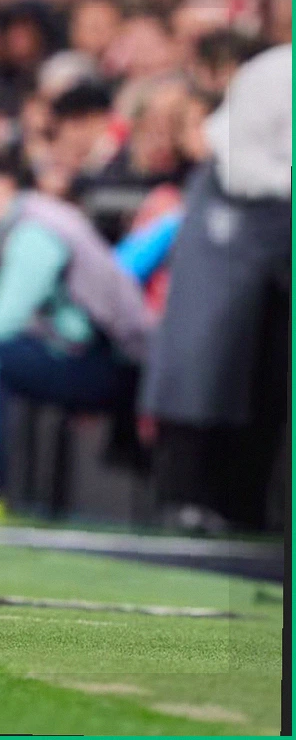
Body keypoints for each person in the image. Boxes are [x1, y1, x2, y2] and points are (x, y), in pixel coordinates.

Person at [139, 44, 292, 533]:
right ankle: (184, 498)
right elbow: (242, 168)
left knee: (271, 369)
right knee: (205, 356)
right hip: (234, 209)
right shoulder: (276, 70)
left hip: (281, 220)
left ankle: (250, 508)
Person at [0, 152, 153, 467]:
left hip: (116, 361)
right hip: (69, 347)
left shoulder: (37, 228)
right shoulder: (6, 228)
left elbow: (5, 320)